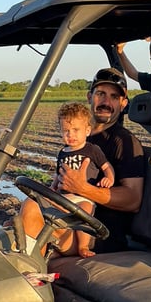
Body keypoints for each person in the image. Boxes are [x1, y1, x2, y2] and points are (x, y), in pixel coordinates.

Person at [20, 68, 145, 255]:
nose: (106, 102)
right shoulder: (79, 139)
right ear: (89, 97)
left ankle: (30, 273)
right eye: (101, 94)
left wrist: (83, 188)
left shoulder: (124, 142)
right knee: (24, 212)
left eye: (114, 97)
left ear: (123, 103)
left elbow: (133, 200)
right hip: (69, 214)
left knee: (31, 211)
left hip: (96, 232)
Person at [20, 101, 115, 257]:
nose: (70, 135)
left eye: (76, 130)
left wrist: (109, 178)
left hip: (83, 196)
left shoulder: (92, 150)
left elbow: (106, 166)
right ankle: (30, 251)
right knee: (31, 203)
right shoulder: (63, 152)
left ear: (87, 130)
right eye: (66, 131)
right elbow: (59, 173)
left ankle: (83, 246)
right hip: (64, 196)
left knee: (85, 208)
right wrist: (52, 188)